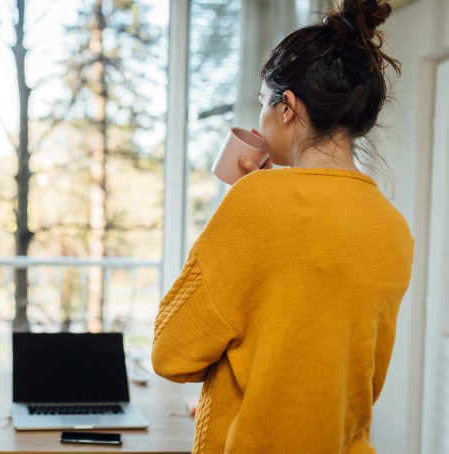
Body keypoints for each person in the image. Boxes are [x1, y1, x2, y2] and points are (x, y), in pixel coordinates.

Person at [151, 0, 413, 453]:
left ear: (287, 106)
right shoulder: (393, 227)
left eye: (261, 104)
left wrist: (243, 210)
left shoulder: (255, 201)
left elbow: (172, 352)